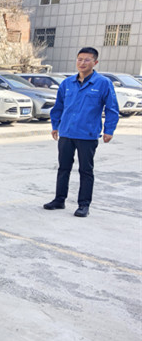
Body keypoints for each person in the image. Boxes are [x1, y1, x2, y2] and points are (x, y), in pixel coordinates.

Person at [43, 47, 119, 218]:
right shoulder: (67, 83)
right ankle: (59, 199)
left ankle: (84, 205)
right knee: (63, 168)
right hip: (67, 133)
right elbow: (58, 107)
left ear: (95, 62)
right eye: (79, 59)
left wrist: (109, 130)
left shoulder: (103, 83)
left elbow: (112, 108)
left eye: (87, 60)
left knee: (86, 170)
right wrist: (55, 126)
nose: (82, 63)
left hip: (87, 134)